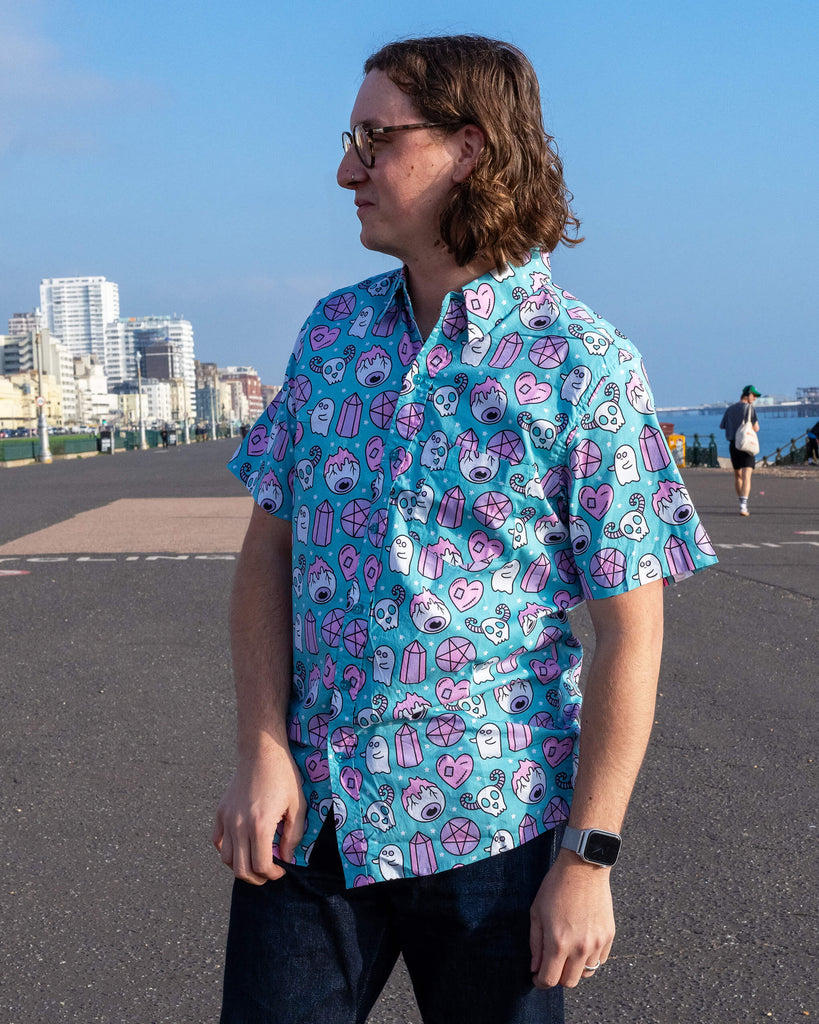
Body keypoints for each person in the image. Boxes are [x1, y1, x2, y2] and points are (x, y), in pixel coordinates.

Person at [214, 35, 718, 1024]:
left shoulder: (582, 364)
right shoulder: (332, 335)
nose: (347, 167)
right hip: (313, 825)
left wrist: (589, 858)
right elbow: (267, 551)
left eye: (376, 137)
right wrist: (260, 749)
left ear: (470, 150)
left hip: (498, 838)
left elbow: (632, 632)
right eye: (350, 137)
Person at [719, 385, 761, 516]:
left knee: (738, 475)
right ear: (747, 395)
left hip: (733, 444)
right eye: (753, 396)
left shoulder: (730, 409)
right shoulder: (750, 408)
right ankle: (744, 505)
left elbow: (723, 426)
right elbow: (756, 428)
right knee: (747, 474)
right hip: (747, 445)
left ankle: (741, 502)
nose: (754, 398)